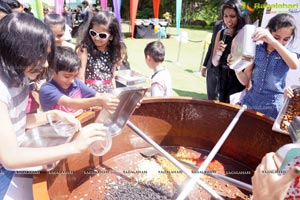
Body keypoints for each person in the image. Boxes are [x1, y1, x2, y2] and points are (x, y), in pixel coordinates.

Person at [0, 12, 108, 199]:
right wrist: (75, 146)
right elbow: (10, 157)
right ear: (18, 52)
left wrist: (53, 116)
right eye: (41, 56)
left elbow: (17, 121)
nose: (46, 63)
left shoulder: (19, 78)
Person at [235, 13, 300, 119]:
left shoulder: (287, 53)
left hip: (272, 106)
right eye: (277, 37)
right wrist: (236, 69)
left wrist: (273, 41)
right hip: (250, 102)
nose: (281, 42)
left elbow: (294, 65)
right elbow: (246, 79)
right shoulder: (256, 49)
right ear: (268, 31)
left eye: (286, 39)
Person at [39, 46, 119, 113]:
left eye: (75, 76)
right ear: (52, 71)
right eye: (67, 76)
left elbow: (97, 95)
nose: (72, 80)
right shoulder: (47, 89)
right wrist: (99, 101)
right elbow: (70, 103)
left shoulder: (76, 83)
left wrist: (109, 99)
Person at [211, 0, 248, 103]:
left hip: (237, 82)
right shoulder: (221, 33)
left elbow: (248, 64)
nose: (228, 20)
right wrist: (219, 52)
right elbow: (214, 62)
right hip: (222, 80)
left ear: (240, 16)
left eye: (232, 16)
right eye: (225, 16)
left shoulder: (245, 35)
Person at [76, 11, 122, 93]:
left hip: (109, 95)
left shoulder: (114, 51)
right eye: (93, 33)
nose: (96, 38)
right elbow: (80, 78)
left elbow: (112, 78)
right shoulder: (84, 50)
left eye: (102, 35)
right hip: (90, 94)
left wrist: (115, 95)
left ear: (111, 37)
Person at [201, 20, 225, 100]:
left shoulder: (240, 26)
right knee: (211, 97)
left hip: (226, 71)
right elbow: (212, 45)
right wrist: (204, 65)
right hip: (211, 67)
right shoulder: (218, 24)